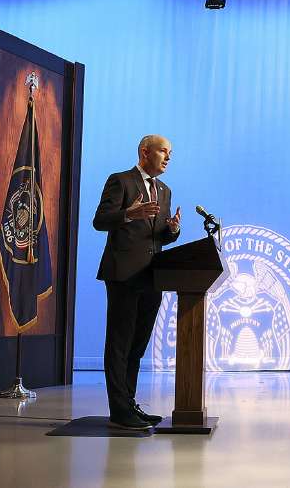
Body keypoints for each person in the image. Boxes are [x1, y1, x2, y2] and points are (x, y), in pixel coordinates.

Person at [92, 135, 182, 430]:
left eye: (170, 153)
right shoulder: (121, 181)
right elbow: (100, 220)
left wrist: (172, 231)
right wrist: (128, 214)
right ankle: (119, 411)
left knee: (137, 346)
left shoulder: (164, 190)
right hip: (123, 275)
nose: (168, 158)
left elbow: (158, 237)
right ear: (145, 152)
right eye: (163, 151)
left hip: (152, 277)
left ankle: (129, 404)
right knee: (119, 344)